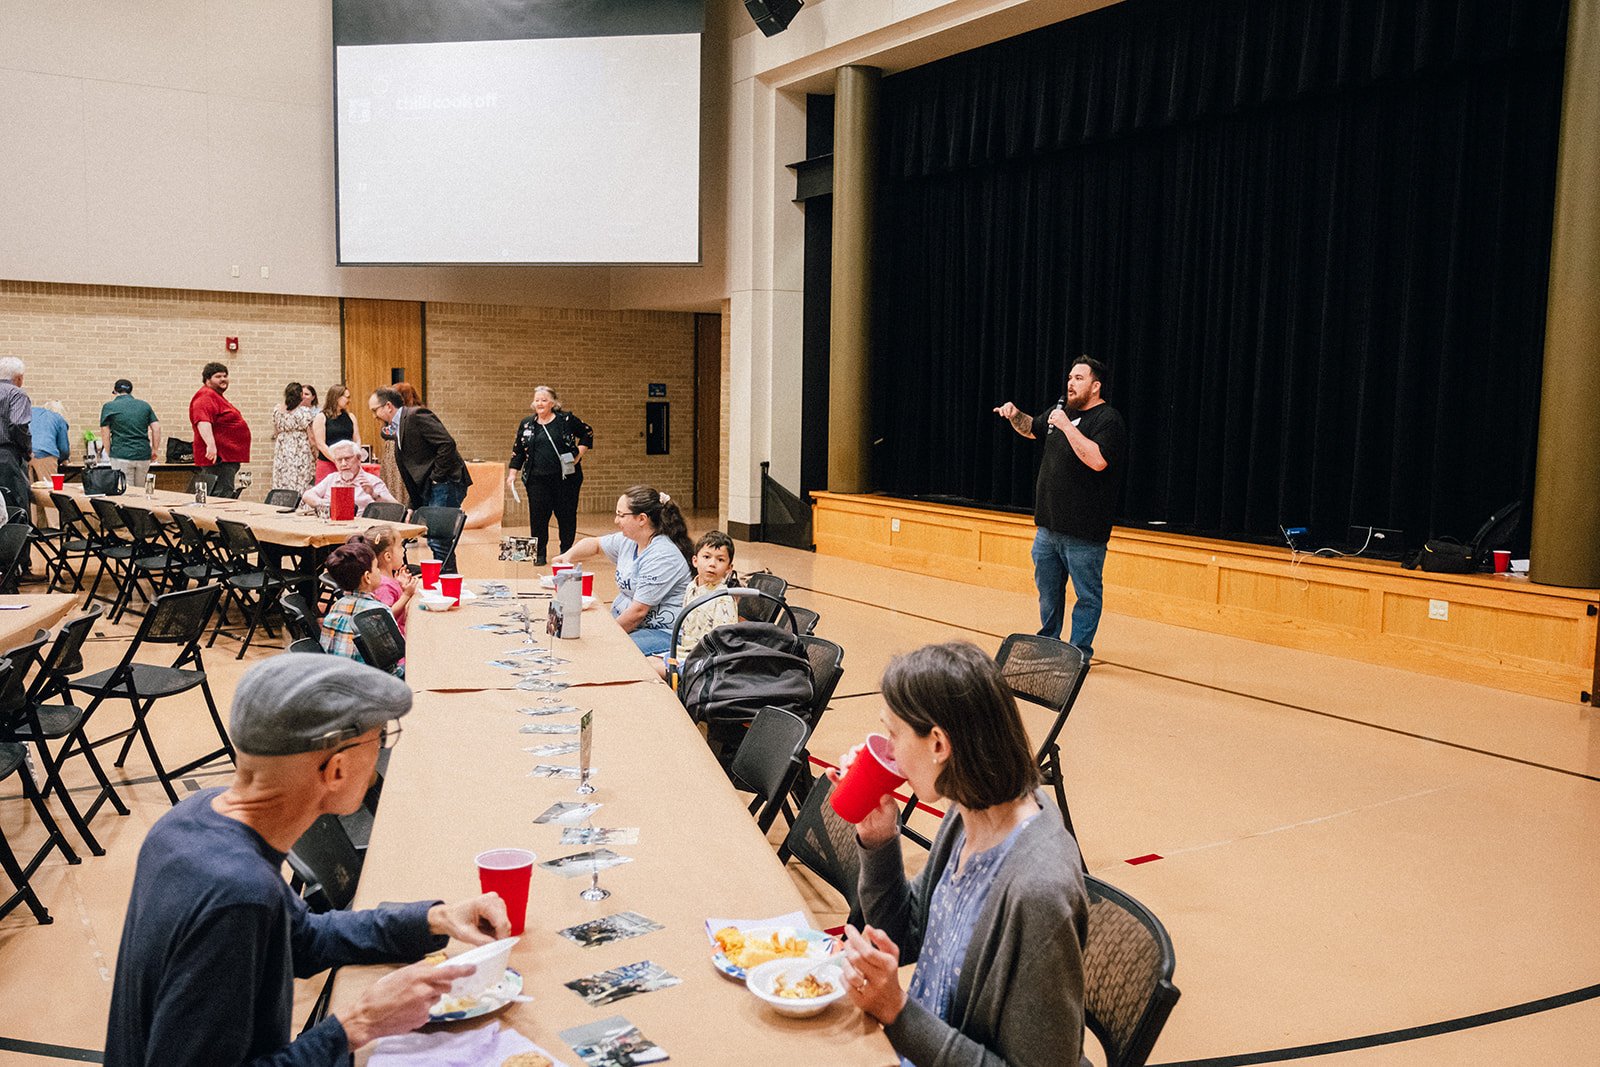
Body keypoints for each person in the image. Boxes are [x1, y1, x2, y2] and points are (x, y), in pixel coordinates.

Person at [105, 654, 509, 1066]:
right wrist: (357, 1024)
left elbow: (300, 939)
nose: (380, 757)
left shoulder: (191, 818)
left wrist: (435, 919)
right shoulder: (240, 895)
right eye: (381, 738)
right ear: (336, 770)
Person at [835, 641, 1089, 1067]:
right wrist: (879, 841)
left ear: (938, 745)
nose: (888, 752)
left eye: (893, 734)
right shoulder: (968, 811)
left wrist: (897, 1012)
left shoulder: (1038, 890)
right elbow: (906, 936)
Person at [993, 357, 1126, 658]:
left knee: (1087, 596)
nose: (1070, 383)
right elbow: (1032, 428)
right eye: (1069, 378)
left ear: (1095, 386)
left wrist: (1066, 427)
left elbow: (1098, 460)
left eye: (1079, 378)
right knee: (1049, 594)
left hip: (1084, 534)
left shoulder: (1108, 420)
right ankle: (1048, 643)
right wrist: (1015, 415)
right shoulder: (1061, 411)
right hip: (1048, 529)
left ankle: (1078, 654)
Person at [553, 485, 692, 656]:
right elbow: (595, 545)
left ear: (642, 519)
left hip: (662, 632)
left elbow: (638, 613)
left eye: (621, 515)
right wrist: (567, 556)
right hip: (633, 625)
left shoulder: (662, 556)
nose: (616, 520)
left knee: (601, 650)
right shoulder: (630, 540)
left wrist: (605, 636)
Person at [368, 386, 471, 572]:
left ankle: (447, 583)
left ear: (388, 406)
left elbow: (447, 444)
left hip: (446, 483)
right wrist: (413, 504)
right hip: (433, 485)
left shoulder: (416, 415)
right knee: (437, 540)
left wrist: (437, 478)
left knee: (438, 539)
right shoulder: (397, 427)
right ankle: (444, 581)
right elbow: (411, 469)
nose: (374, 416)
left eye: (375, 410)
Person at [504, 385, 593, 566]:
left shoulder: (565, 420)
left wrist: (578, 454)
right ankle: (539, 554)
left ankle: (566, 553)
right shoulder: (527, 424)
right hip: (536, 479)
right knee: (538, 517)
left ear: (552, 403)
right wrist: (512, 473)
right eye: (537, 400)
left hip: (565, 479)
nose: (540, 403)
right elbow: (518, 450)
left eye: (544, 400)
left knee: (566, 516)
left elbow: (587, 432)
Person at [320, 541, 403, 675]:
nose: (379, 571)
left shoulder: (336, 606)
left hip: (337, 678)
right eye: (376, 567)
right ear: (367, 577)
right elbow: (395, 655)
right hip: (373, 680)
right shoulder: (379, 611)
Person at [662, 530, 738, 673]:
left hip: (703, 663)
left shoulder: (723, 599)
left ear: (729, 568)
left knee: (652, 669)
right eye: (707, 557)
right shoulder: (691, 587)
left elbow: (723, 645)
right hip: (684, 652)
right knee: (644, 662)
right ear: (695, 561)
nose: (712, 564)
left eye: (720, 560)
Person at [190, 361, 251, 498]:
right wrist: (211, 445)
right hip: (219, 458)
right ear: (207, 380)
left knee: (224, 491)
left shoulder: (216, 397)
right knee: (221, 494)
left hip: (226, 457)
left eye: (225, 376)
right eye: (218, 376)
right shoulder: (205, 396)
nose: (223, 379)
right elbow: (202, 421)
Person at [99, 379, 162, 492]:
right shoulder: (144, 406)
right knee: (141, 491)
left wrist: (109, 452)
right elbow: (156, 428)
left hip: (121, 454)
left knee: (126, 492)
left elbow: (105, 432)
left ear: (115, 391)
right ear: (131, 391)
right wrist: (154, 450)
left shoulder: (109, 407)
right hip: (143, 454)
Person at [302, 440, 398, 513]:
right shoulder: (332, 478)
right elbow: (307, 495)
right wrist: (325, 504)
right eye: (339, 460)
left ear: (359, 459)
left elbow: (396, 508)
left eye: (347, 459)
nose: (343, 464)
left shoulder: (372, 481)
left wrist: (374, 494)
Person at [358, 525, 419, 634]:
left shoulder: (387, 579)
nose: (404, 550)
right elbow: (386, 616)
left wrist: (400, 586)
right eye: (400, 546)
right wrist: (407, 595)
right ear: (388, 557)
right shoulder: (382, 584)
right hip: (396, 637)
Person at [0, 357, 33, 531]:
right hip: (7, 458)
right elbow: (18, 424)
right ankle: (19, 548)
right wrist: (27, 449)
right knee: (16, 507)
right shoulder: (17, 393)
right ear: (19, 377)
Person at [30, 399, 72, 528]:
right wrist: (64, 459)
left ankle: (30, 527)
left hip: (24, 453)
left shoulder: (32, 413)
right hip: (46, 454)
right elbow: (64, 447)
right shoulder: (58, 418)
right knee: (51, 491)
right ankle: (54, 527)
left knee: (29, 492)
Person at [376, 381, 419, 505]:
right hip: (391, 457)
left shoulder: (412, 415)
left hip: (400, 455)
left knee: (401, 486)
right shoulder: (394, 416)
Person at [271, 382, 317, 492]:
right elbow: (311, 436)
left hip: (282, 449)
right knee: (300, 479)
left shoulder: (277, 410)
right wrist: (316, 455)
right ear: (300, 395)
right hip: (299, 449)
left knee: (282, 478)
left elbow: (276, 431)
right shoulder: (303, 411)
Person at [313, 384, 362, 482]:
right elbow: (321, 444)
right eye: (347, 397)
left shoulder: (351, 416)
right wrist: (337, 460)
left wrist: (354, 458)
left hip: (348, 466)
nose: (349, 400)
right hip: (328, 464)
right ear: (337, 398)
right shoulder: (321, 417)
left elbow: (357, 439)